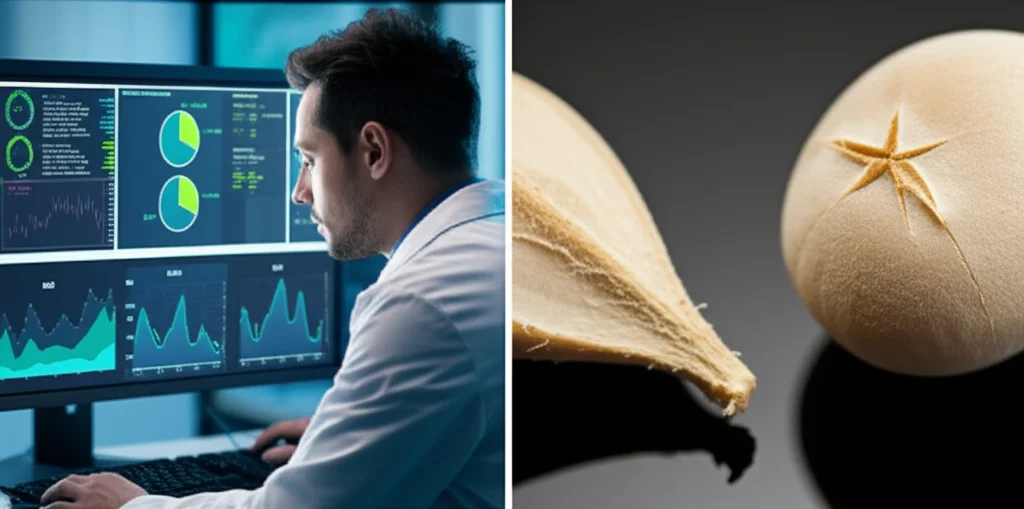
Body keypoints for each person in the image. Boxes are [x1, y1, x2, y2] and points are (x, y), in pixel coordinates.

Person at [40, 7, 505, 509]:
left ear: (373, 151)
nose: (299, 192)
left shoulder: (420, 306)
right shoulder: (498, 234)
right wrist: (356, 441)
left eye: (309, 160)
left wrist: (131, 506)